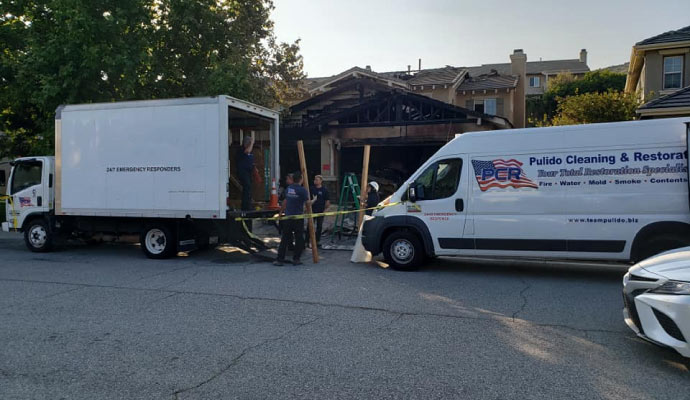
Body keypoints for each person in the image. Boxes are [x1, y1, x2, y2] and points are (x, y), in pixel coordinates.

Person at [275, 172, 308, 266]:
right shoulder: (303, 190)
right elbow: (307, 203)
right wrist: (313, 201)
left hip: (288, 217)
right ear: (301, 179)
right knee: (299, 238)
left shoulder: (289, 189)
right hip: (298, 218)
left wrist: (280, 213)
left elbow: (285, 201)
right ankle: (296, 259)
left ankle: (279, 259)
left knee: (285, 238)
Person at [306, 175, 330, 247]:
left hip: (320, 210)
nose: (315, 181)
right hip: (312, 210)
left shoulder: (324, 190)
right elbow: (307, 199)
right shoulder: (311, 189)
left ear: (321, 181)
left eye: (317, 180)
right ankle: (307, 241)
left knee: (319, 226)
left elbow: (327, 201)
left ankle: (317, 241)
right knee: (309, 226)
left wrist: (325, 210)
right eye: (315, 179)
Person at [237, 136, 255, 212]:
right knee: (246, 188)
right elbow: (247, 151)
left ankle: (248, 205)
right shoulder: (241, 150)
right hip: (243, 172)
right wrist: (252, 143)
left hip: (248, 172)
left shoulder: (249, 151)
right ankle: (245, 207)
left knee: (249, 189)